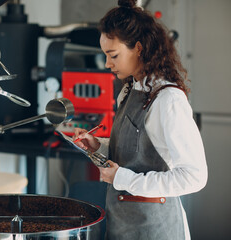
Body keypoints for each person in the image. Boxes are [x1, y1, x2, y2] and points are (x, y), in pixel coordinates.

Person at [72, 0, 208, 239]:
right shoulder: (128, 91)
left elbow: (194, 177)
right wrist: (98, 145)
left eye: (113, 55)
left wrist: (123, 178)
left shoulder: (168, 100)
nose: (107, 64)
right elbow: (135, 151)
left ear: (138, 48)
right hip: (123, 224)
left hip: (156, 229)